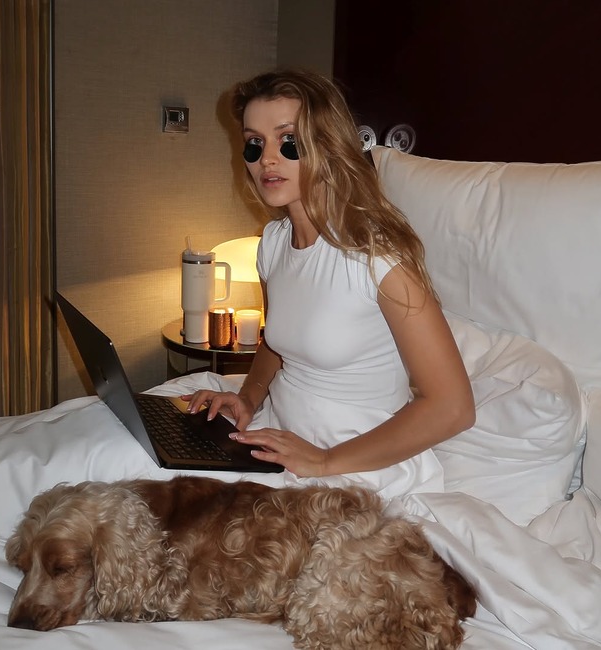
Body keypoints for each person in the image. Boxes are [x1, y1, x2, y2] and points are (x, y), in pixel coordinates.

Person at [183, 69, 475, 497]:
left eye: (288, 141)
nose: (267, 159)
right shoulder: (273, 243)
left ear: (328, 145)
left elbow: (453, 407)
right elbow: (276, 344)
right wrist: (247, 398)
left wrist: (324, 461)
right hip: (281, 439)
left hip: (354, 465)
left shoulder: (377, 259)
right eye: (254, 143)